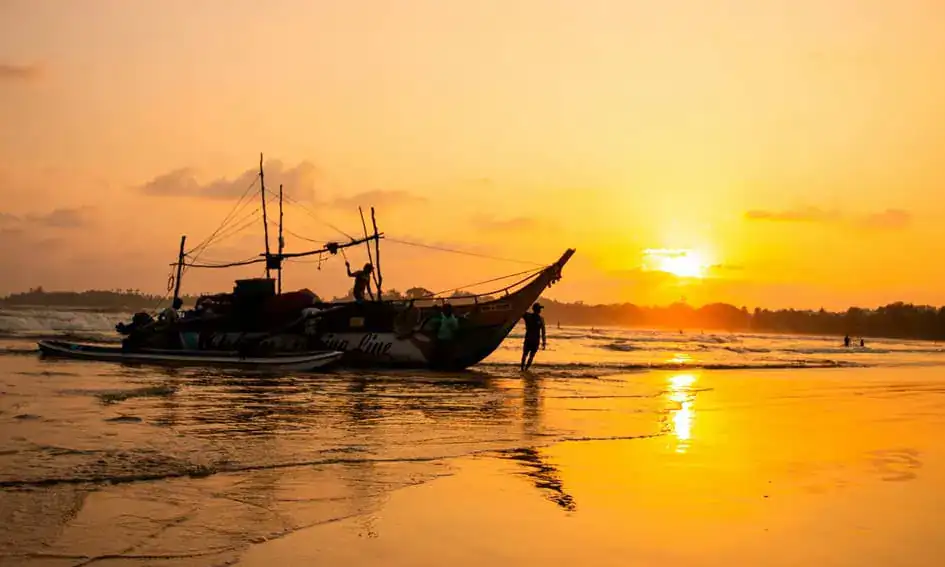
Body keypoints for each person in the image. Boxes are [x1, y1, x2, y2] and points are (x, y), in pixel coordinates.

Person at [520, 303, 546, 372]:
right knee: (529, 356)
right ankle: (524, 369)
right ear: (536, 309)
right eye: (539, 308)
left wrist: (544, 342)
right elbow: (543, 332)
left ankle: (523, 369)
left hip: (531, 339)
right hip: (533, 340)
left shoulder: (528, 316)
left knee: (526, 355)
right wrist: (544, 342)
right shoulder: (539, 319)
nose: (540, 310)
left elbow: (521, 311)